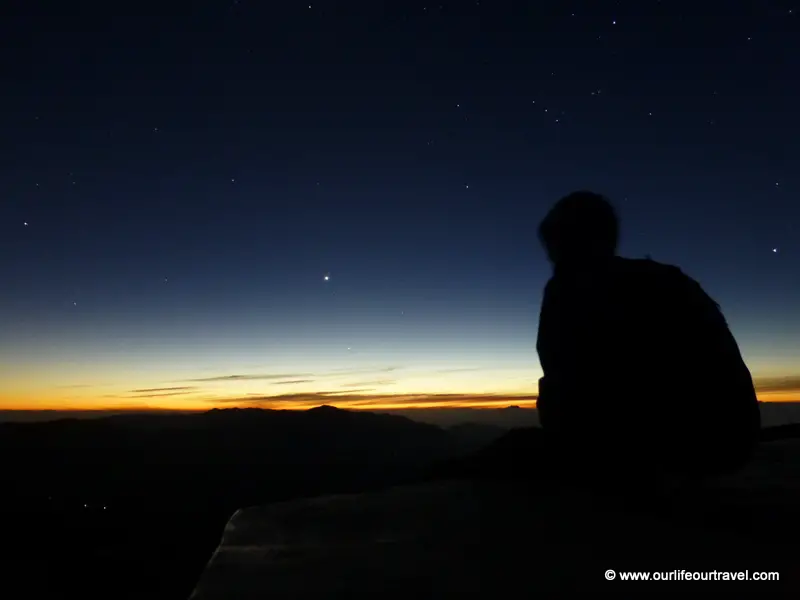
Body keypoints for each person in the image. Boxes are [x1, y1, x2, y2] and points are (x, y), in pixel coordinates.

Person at [535, 191, 761, 483]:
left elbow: (572, 385)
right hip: (733, 443)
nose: (552, 256)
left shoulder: (572, 292)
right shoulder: (663, 280)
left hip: (673, 452)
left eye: (557, 243)